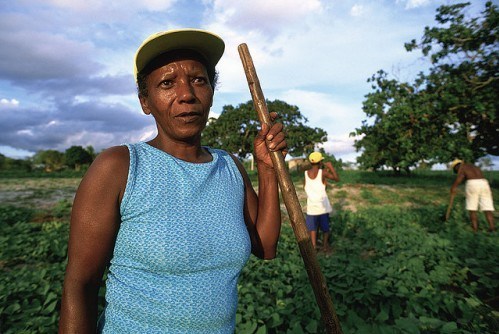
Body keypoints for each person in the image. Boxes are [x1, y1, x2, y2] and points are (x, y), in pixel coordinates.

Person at [58, 28, 287, 333]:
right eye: (167, 83)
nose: (187, 95)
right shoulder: (119, 167)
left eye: (198, 80)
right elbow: (80, 285)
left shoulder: (229, 167)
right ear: (145, 101)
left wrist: (267, 170)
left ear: (211, 93)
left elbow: (266, 246)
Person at [303, 152, 340, 253]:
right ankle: (325, 247)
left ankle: (313, 247)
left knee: (312, 229)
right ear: (320, 162)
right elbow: (337, 179)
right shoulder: (323, 173)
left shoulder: (306, 174)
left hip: (312, 208)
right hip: (323, 207)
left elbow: (306, 187)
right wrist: (331, 167)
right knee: (325, 228)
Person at [449, 159, 495, 232]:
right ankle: (492, 228)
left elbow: (459, 178)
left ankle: (475, 230)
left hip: (472, 184)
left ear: (456, 166)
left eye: (455, 169)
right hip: (484, 183)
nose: (456, 171)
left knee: (472, 209)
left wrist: (453, 187)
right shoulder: (474, 166)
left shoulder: (462, 168)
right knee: (487, 208)